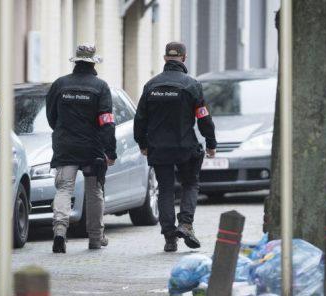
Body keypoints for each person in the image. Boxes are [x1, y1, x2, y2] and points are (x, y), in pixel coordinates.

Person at [134, 42, 217, 252]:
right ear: (184, 58)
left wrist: (142, 143)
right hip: (185, 147)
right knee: (190, 183)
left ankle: (170, 238)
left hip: (159, 148)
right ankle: (186, 224)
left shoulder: (151, 85)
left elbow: (140, 119)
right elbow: (203, 117)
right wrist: (210, 142)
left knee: (165, 190)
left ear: (165, 59)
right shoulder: (191, 85)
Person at [46, 44, 117, 253]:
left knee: (64, 188)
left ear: (76, 61)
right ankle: (95, 238)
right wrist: (110, 151)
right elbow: (106, 121)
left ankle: (60, 231)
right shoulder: (101, 87)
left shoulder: (60, 85)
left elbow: (51, 117)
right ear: (93, 62)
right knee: (94, 191)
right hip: (92, 149)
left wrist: (63, 131)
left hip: (65, 146)